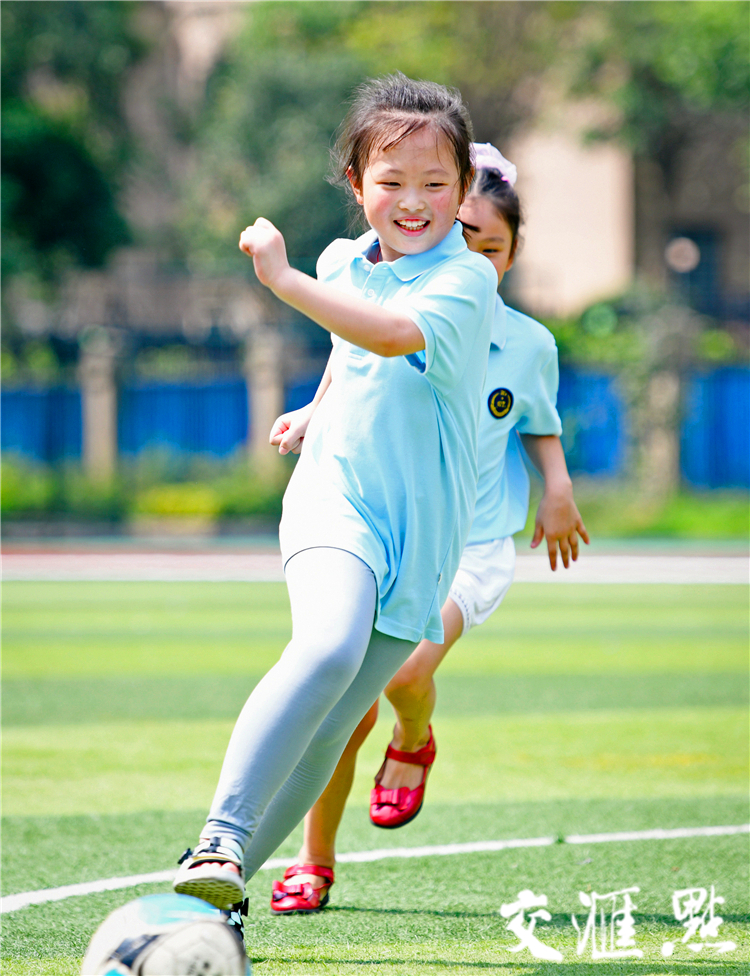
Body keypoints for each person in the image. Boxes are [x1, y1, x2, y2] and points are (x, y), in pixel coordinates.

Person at [173, 74, 498, 917]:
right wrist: (317, 411)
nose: (414, 201)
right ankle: (221, 835)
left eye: (436, 184)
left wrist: (281, 284)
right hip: (336, 500)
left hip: (423, 543)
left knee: (332, 730)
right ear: (357, 187)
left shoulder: (467, 282)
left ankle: (215, 899)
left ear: (464, 191)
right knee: (326, 648)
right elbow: (351, 343)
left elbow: (389, 336)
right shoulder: (340, 261)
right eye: (391, 182)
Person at [267, 142, 589, 914]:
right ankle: (315, 860)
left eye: (492, 244)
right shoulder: (395, 308)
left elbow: (539, 425)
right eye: (463, 234)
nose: (473, 252)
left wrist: (558, 489)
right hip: (386, 530)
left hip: (471, 546)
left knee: (405, 675)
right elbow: (352, 359)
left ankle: (413, 738)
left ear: (511, 255)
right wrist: (314, 412)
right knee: (345, 700)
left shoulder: (527, 343)